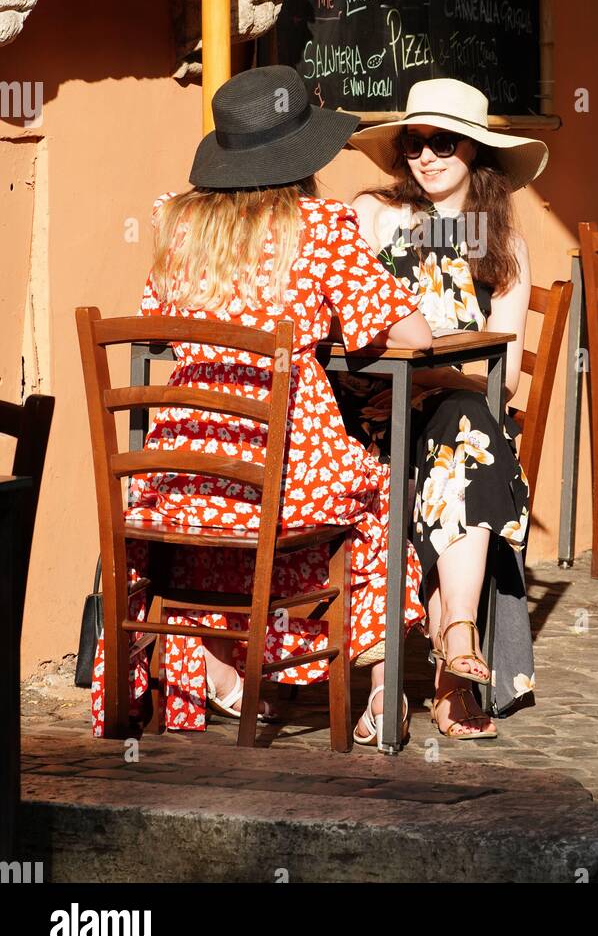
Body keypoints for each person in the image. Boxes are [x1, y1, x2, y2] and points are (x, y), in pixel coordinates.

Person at [89, 65, 432, 746]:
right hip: (283, 484)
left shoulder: (178, 223)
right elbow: (412, 336)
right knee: (376, 503)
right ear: (301, 155)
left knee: (252, 518)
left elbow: (155, 326)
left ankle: (228, 669)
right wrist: (324, 324)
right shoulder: (321, 225)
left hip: (181, 484)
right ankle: (380, 687)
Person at [345, 78, 548, 739]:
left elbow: (505, 376)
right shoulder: (374, 213)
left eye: (443, 142)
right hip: (364, 410)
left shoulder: (503, 249)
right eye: (414, 143)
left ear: (476, 154)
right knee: (466, 438)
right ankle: (452, 656)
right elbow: (341, 317)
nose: (425, 157)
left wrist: (433, 375)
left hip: (456, 412)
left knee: (466, 434)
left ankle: (454, 634)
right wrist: (431, 370)